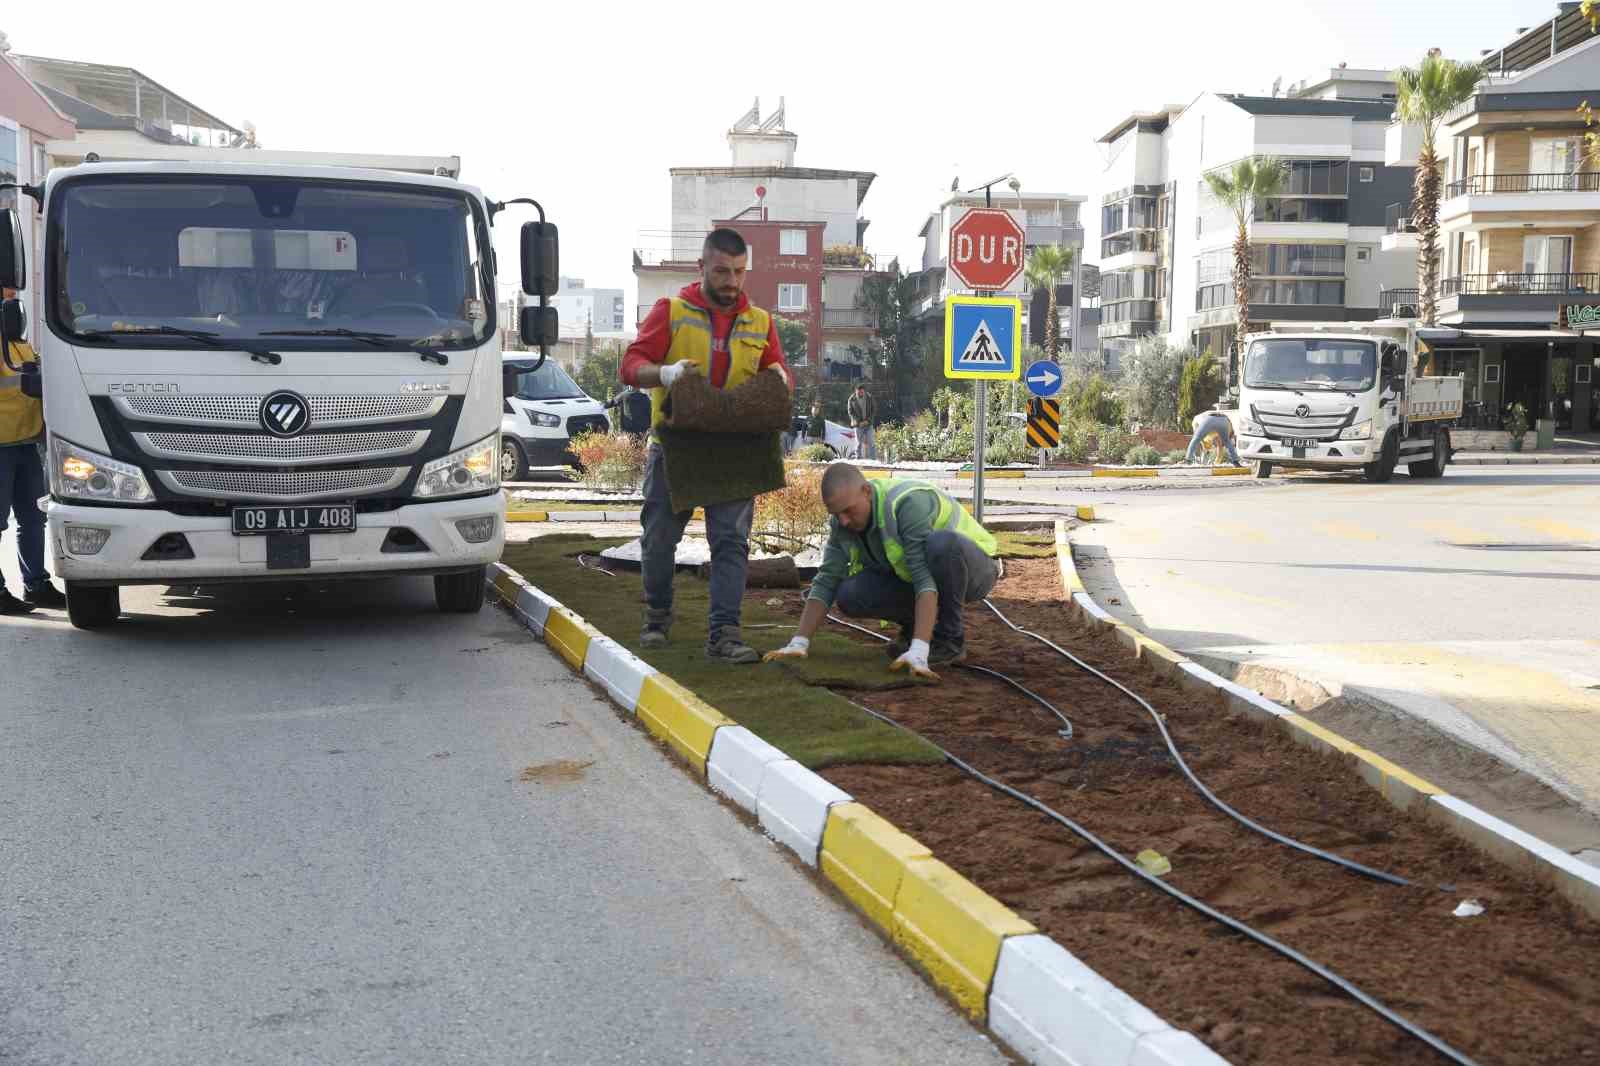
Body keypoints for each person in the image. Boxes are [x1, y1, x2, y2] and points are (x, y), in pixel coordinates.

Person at [620, 228, 791, 663]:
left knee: (732, 543)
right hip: (676, 446)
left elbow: (777, 372)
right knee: (659, 538)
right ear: (702, 268)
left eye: (738, 272)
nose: (731, 281)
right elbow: (631, 365)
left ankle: (724, 636)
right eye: (721, 271)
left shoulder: (761, 322)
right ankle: (657, 616)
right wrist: (665, 374)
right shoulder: (671, 311)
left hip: (736, 450)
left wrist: (781, 381)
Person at [763, 463, 999, 680]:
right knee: (850, 594)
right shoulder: (842, 524)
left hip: (974, 571)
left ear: (866, 491)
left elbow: (923, 579)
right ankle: (913, 629)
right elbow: (826, 579)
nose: (843, 521)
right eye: (836, 514)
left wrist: (919, 650)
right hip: (926, 580)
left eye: (848, 511)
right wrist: (799, 642)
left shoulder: (907, 504)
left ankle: (949, 640)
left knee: (941, 544)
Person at [0, 297, 64, 614]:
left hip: (26, 444)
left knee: (33, 519)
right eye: (12, 316)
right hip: (1, 446)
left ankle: (36, 584)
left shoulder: (24, 347)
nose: (16, 321)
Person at [847, 383, 877, 461]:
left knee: (871, 442)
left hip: (868, 424)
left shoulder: (870, 397)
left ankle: (873, 460)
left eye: (862, 392)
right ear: (855, 391)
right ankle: (858, 459)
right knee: (858, 443)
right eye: (859, 392)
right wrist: (858, 422)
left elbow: (874, 410)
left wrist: (868, 421)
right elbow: (850, 412)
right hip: (858, 425)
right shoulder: (851, 399)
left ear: (864, 391)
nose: (861, 393)